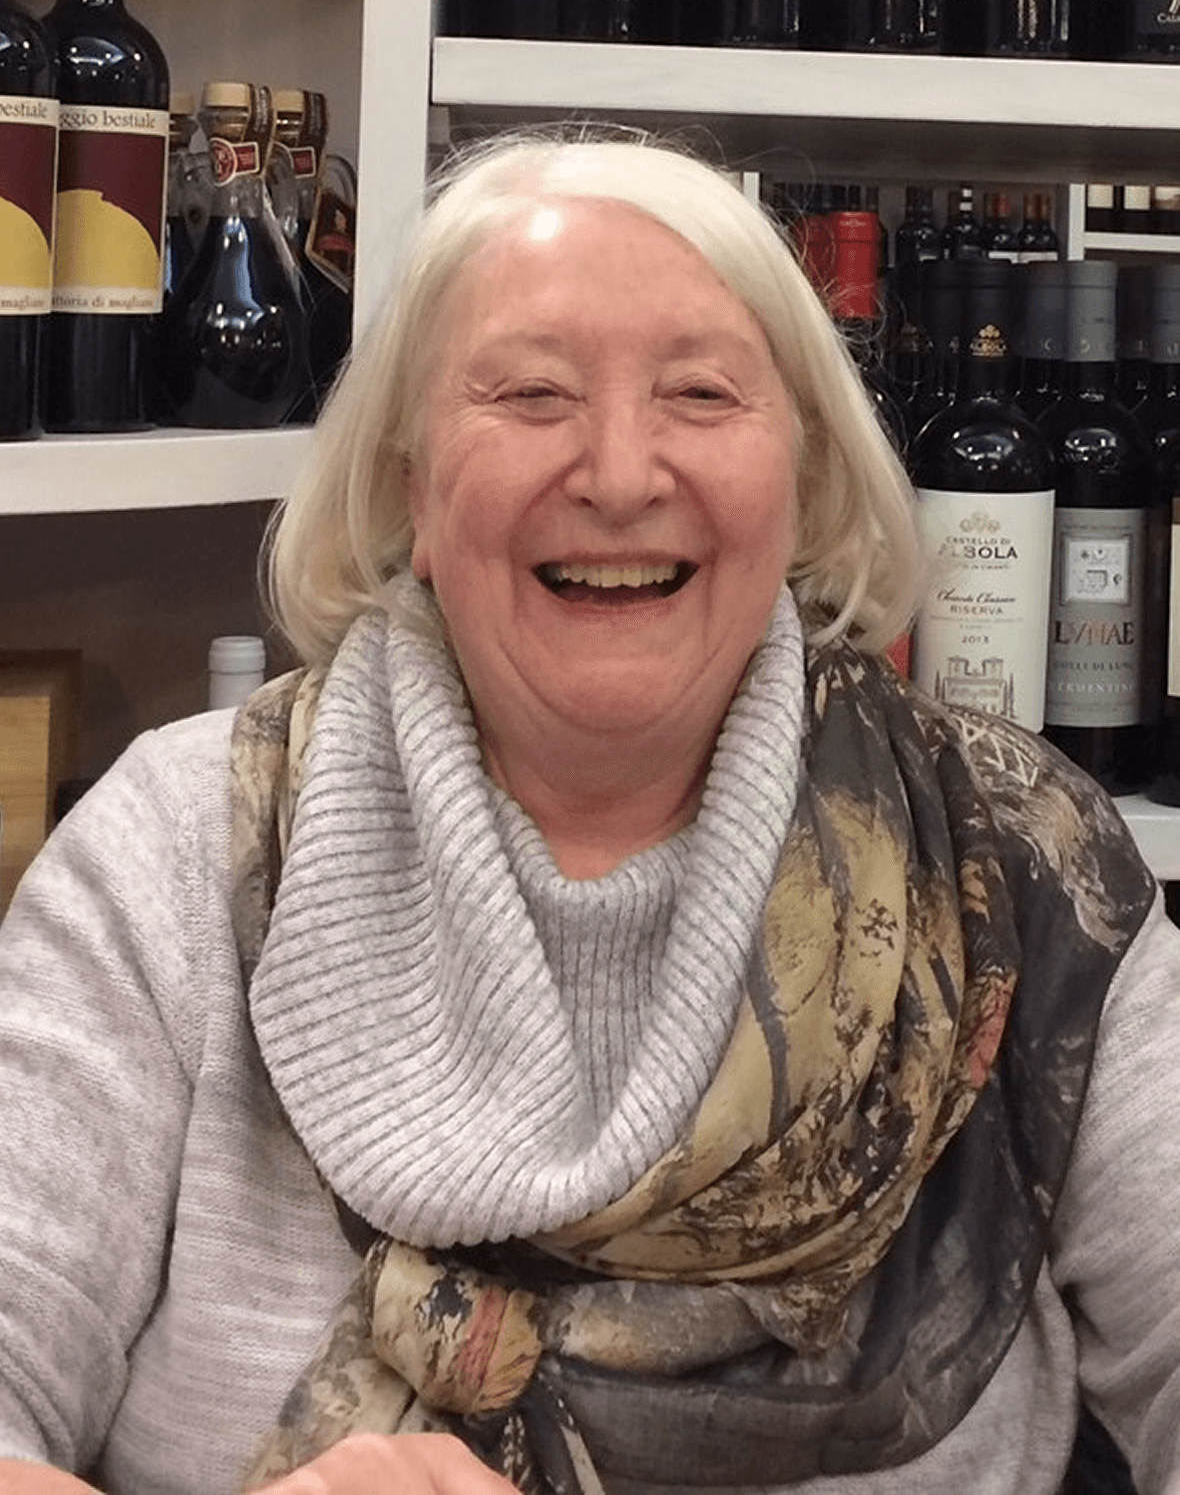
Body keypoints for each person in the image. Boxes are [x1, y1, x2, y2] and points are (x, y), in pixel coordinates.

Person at [0, 129, 1177, 1495]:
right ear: (410, 488)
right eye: (531, 393)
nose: (621, 475)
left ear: (802, 480)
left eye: (701, 393)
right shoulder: (174, 852)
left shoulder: (1021, 877)